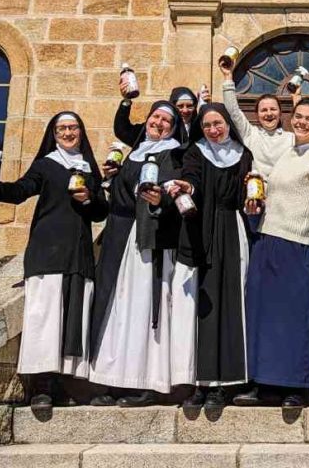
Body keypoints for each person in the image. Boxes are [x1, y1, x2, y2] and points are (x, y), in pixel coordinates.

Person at [0, 112, 107, 412]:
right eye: (61, 128)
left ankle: (70, 383)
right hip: (47, 250)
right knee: (45, 318)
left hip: (78, 253)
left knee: (75, 318)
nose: (67, 132)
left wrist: (88, 198)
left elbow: (101, 210)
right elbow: (21, 190)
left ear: (81, 131)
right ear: (53, 133)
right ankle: (42, 387)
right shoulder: (46, 164)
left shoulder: (88, 167)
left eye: (73, 127)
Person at [237, 98, 309, 408]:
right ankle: (264, 385)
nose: (301, 122)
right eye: (298, 116)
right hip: (266, 241)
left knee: (295, 319)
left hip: (296, 244)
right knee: (263, 318)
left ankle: (296, 386)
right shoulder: (286, 153)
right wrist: (255, 207)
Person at [87, 101, 187, 407]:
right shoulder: (135, 152)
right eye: (156, 117)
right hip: (121, 238)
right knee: (116, 307)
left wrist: (159, 201)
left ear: (173, 127)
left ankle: (145, 381)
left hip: (151, 239)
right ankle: (111, 379)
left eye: (166, 120)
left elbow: (175, 197)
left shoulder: (175, 154)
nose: (159, 123)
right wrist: (111, 180)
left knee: (144, 308)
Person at [167, 104, 253, 409]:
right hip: (200, 231)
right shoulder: (195, 153)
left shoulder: (243, 155)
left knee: (230, 305)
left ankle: (223, 384)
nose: (213, 130)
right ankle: (200, 383)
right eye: (207, 126)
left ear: (228, 124)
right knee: (200, 308)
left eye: (218, 124)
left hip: (231, 230)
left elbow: (247, 194)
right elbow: (192, 179)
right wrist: (187, 185)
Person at [220, 65, 294, 178]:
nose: (269, 113)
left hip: (285, 193)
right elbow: (233, 111)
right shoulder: (250, 134)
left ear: (280, 113)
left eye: (273, 109)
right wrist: (228, 77)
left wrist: (296, 96)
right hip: (257, 192)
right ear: (257, 115)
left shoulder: (291, 138)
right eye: (264, 110)